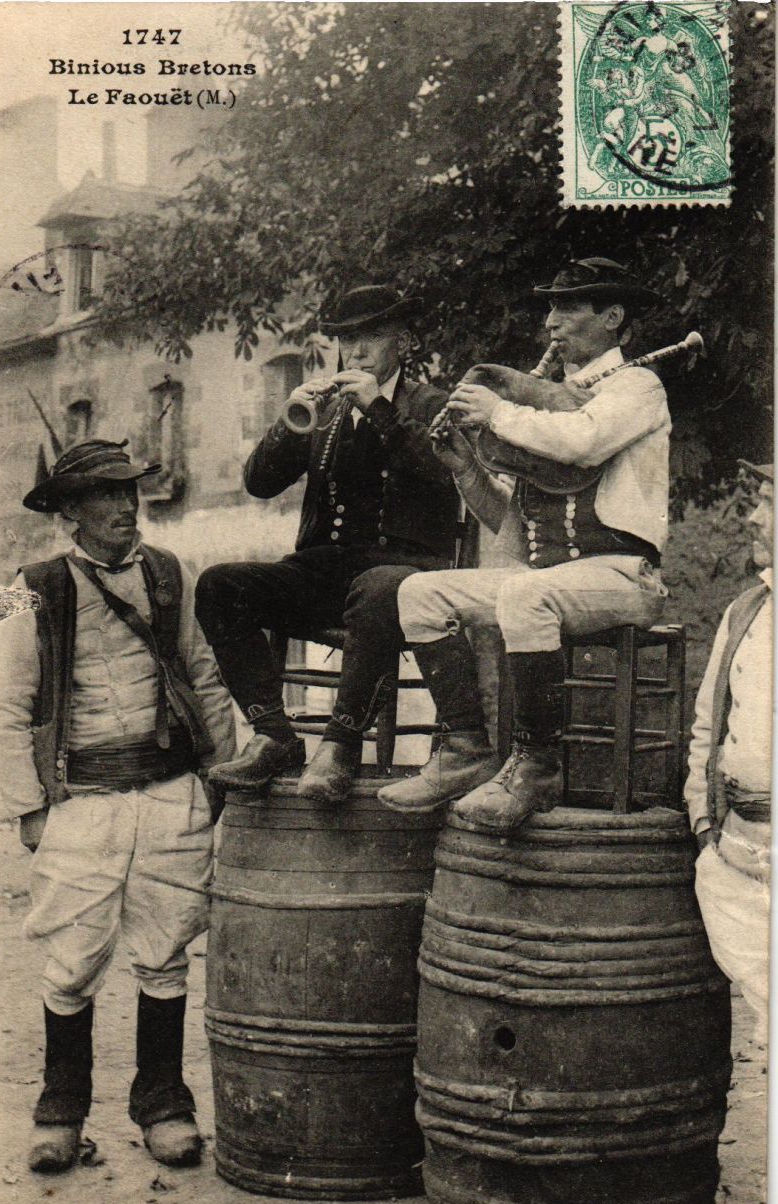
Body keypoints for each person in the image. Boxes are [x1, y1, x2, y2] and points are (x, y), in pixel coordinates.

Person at [0, 440, 236, 1174]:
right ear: (70, 512)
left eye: (129, 492)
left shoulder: (172, 573)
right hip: (81, 801)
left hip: (168, 793)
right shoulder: (21, 587)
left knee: (166, 954)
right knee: (72, 960)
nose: (126, 507)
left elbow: (205, 677)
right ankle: (60, 1111)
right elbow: (0, 706)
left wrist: (217, 778)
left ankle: (164, 1106)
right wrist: (28, 808)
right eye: (105, 495)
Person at [379, 257, 670, 826]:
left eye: (567, 308)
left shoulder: (638, 386)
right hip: (545, 582)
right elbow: (513, 526)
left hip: (623, 576)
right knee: (419, 593)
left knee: (523, 595)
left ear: (613, 317)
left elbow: (583, 442)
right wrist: (466, 469)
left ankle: (536, 766)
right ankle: (464, 749)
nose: (551, 323)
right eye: (550, 309)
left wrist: (498, 412)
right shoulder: (547, 400)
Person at [195, 284, 460, 803]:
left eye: (372, 337)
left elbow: (442, 472)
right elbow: (259, 483)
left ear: (404, 342)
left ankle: (340, 744)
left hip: (406, 575)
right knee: (220, 585)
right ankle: (273, 735)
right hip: (327, 573)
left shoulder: (432, 404)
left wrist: (379, 409)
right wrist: (290, 423)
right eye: (347, 339)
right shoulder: (329, 410)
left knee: (378, 588)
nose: (356, 352)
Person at [685, 462, 772, 1046]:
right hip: (737, 854)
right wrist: (703, 828)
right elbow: (707, 725)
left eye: (770, 503)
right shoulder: (746, 610)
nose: (755, 518)